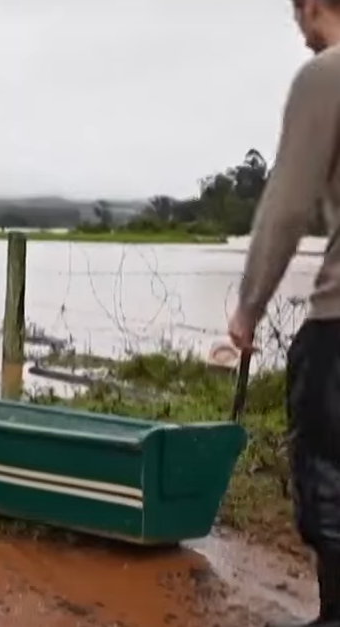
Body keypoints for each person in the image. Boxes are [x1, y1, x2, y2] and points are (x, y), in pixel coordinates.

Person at [229, 2, 340, 625]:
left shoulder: (326, 75)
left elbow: (287, 207)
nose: (299, 32)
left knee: (331, 486)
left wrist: (248, 309)